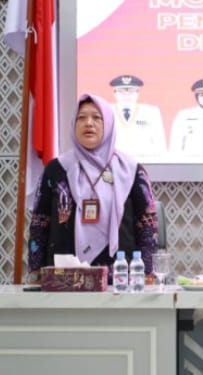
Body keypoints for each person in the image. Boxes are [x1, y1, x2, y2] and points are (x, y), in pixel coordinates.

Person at [27, 93, 159, 284]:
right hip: (63, 282)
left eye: (97, 117)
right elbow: (40, 224)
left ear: (109, 124)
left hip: (121, 281)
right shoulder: (56, 169)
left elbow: (147, 227)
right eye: (81, 118)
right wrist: (35, 274)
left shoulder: (131, 170)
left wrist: (147, 274)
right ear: (74, 124)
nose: (88, 123)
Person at [109, 74, 167, 158]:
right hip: (114, 161)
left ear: (138, 92)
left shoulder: (151, 112)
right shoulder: (105, 111)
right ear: (114, 93)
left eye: (131, 91)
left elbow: (160, 145)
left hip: (145, 161)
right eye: (121, 91)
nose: (126, 95)